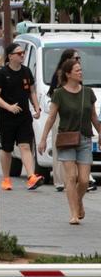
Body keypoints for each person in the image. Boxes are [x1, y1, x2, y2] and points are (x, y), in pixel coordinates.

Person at [39, 59, 101, 225]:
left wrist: (100, 133)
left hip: (85, 139)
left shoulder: (88, 92)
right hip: (66, 139)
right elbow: (51, 117)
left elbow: (93, 117)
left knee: (84, 180)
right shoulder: (59, 93)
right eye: (77, 70)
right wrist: (43, 139)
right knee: (71, 176)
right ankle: (74, 213)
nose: (80, 72)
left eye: (81, 70)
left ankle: (78, 201)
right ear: (68, 74)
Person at [0, 43, 44, 191]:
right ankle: (6, 178)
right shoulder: (2, 74)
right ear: (10, 56)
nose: (22, 55)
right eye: (19, 53)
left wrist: (36, 107)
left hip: (24, 116)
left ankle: (31, 177)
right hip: (6, 117)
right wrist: (9, 107)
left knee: (25, 145)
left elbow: (32, 92)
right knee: (7, 148)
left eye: (23, 53)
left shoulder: (26, 71)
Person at [48, 49, 80, 192]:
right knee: (59, 143)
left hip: (75, 113)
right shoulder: (59, 74)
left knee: (77, 145)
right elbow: (52, 92)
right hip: (60, 111)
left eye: (79, 58)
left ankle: (77, 178)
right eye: (75, 58)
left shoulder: (78, 75)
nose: (78, 60)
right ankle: (59, 180)